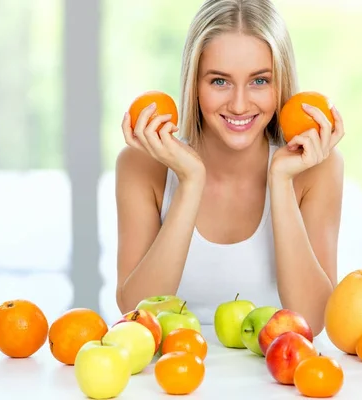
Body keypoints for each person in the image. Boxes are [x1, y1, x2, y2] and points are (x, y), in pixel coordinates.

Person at [115, 0, 345, 337]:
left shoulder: (318, 169)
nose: (239, 104)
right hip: (172, 379)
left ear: (281, 84)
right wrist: (191, 181)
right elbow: (137, 312)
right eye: (220, 81)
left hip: (272, 383)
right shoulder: (140, 165)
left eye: (259, 81)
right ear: (194, 85)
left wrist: (280, 180)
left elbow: (310, 319)